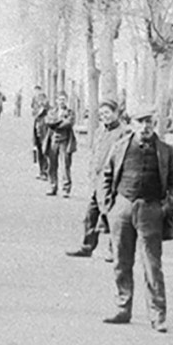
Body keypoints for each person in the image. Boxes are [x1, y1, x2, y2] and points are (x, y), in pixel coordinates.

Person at [99, 109, 173, 330]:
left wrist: (166, 209)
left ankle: (157, 315)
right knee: (121, 261)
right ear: (132, 123)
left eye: (150, 122)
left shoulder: (165, 151)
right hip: (123, 207)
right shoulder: (120, 147)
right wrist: (109, 207)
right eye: (141, 122)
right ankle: (122, 307)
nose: (146, 127)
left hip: (151, 210)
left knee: (152, 264)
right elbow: (106, 176)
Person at [65, 99, 129, 261]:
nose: (104, 117)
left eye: (107, 113)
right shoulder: (100, 131)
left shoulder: (124, 132)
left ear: (116, 113)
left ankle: (115, 251)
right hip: (98, 182)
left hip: (113, 182)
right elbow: (95, 154)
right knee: (90, 215)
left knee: (112, 217)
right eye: (101, 114)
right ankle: (87, 247)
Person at [43, 91, 77, 197]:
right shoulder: (52, 111)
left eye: (63, 99)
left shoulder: (70, 112)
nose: (61, 101)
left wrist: (56, 124)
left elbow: (69, 123)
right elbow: (48, 121)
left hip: (65, 141)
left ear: (66, 100)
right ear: (56, 100)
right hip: (53, 140)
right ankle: (53, 186)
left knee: (65, 166)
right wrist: (59, 121)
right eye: (59, 99)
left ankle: (66, 189)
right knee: (52, 165)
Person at [31, 85, 50, 179]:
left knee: (44, 149)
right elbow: (33, 110)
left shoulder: (45, 100)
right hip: (37, 125)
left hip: (44, 126)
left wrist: (38, 113)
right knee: (38, 148)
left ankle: (46, 172)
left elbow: (43, 109)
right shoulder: (35, 100)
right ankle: (41, 171)